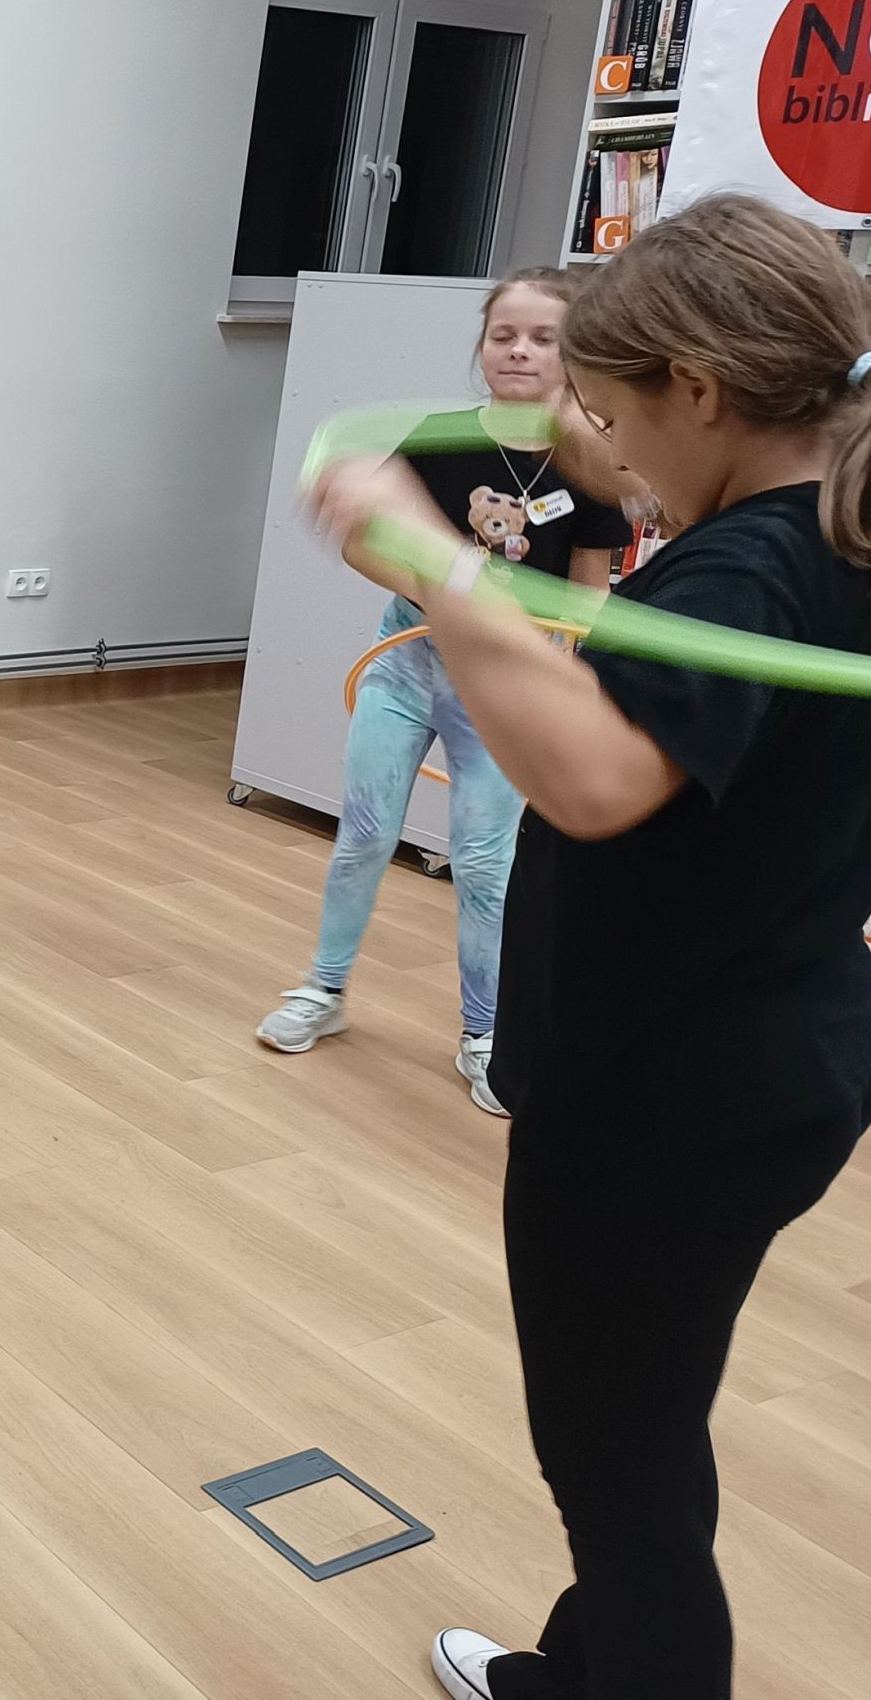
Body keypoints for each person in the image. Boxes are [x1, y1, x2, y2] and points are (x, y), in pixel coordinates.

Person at [308, 197, 871, 1700]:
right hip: (786, 1048)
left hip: (664, 1090)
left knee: (615, 1473)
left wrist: (429, 559)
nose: (612, 447)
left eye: (621, 412)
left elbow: (592, 774)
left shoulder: (748, 572)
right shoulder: (852, 526)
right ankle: (581, 1670)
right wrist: (602, 467)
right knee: (647, 1416)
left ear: (699, 387)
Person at [258, 268, 629, 1113]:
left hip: (501, 687)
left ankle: (485, 1035)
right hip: (407, 661)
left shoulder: (589, 465)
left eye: (542, 338)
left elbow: (588, 593)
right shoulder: (438, 437)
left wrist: (558, 667)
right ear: (482, 346)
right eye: (503, 335)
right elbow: (362, 543)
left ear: (574, 356)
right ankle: (323, 989)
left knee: (485, 863)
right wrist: (449, 590)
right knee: (362, 835)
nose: (519, 351)